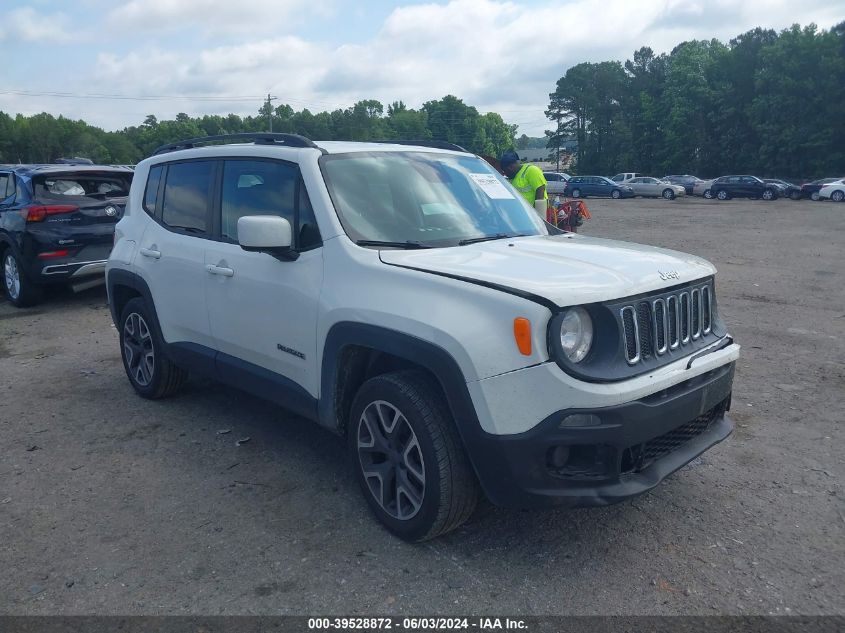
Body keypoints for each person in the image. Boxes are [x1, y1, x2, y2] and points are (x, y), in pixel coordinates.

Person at [499, 150, 547, 217]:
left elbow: (540, 191)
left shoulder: (531, 171)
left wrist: (536, 215)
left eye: (505, 171)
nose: (505, 174)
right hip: (523, 215)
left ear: (511, 167)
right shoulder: (514, 177)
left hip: (534, 216)